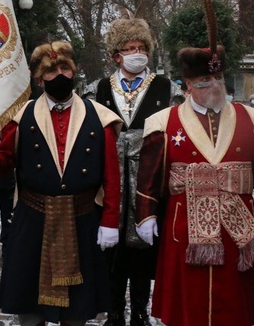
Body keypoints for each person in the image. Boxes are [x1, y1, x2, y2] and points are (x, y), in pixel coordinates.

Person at [135, 37, 254, 326]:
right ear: (188, 84)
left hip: (237, 229)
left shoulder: (253, 120)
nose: (214, 84)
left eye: (217, 77)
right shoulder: (163, 122)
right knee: (188, 299)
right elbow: (150, 176)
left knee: (234, 298)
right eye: (205, 79)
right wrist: (145, 215)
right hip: (184, 227)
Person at [0, 40, 122, 326]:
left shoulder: (101, 117)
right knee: (29, 304)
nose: (59, 75)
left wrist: (110, 221)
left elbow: (112, 176)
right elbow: (3, 163)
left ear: (74, 72)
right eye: (51, 70)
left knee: (77, 309)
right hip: (32, 219)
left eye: (64, 68)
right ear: (39, 78)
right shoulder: (21, 117)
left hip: (82, 219)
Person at [94, 18, 180, 326]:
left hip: (148, 174)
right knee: (113, 246)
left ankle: (141, 309)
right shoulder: (104, 87)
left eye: (141, 47)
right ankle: (115, 309)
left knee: (144, 244)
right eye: (130, 48)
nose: (137, 53)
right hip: (113, 175)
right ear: (117, 55)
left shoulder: (161, 85)